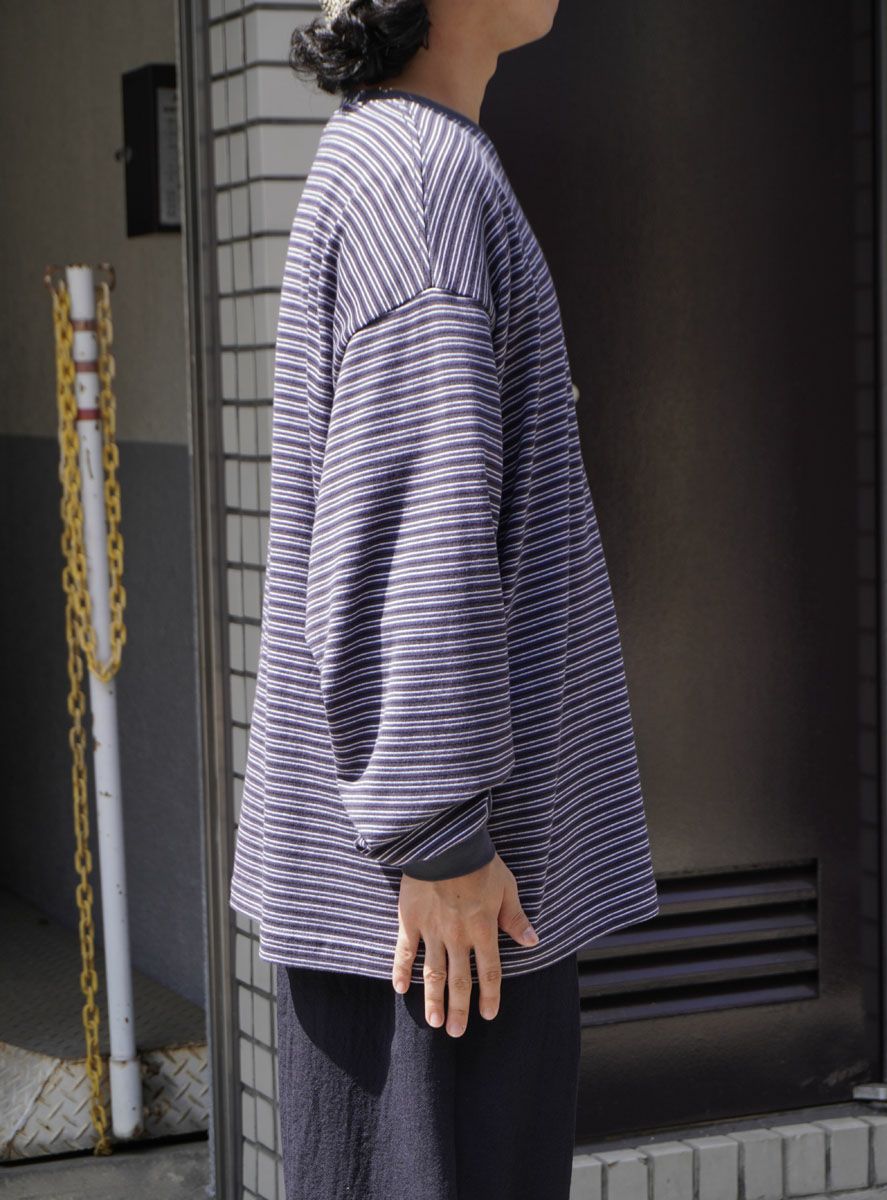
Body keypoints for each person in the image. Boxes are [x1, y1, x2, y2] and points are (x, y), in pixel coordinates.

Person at [228, 1, 661, 1196]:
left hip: (437, 895)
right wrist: (442, 838)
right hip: (442, 910)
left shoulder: (403, 159)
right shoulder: (422, 180)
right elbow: (410, 529)